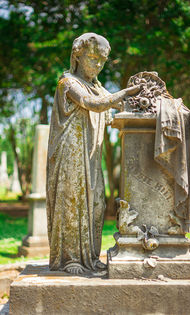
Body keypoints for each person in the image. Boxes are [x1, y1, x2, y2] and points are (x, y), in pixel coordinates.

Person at [46, 33, 140, 275]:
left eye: (102, 61)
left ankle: (90, 256)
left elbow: (113, 103)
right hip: (72, 157)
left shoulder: (97, 86)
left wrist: (141, 100)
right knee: (73, 203)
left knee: (96, 204)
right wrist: (126, 93)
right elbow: (94, 104)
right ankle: (70, 259)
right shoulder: (67, 83)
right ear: (77, 56)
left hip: (91, 155)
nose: (97, 64)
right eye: (93, 58)